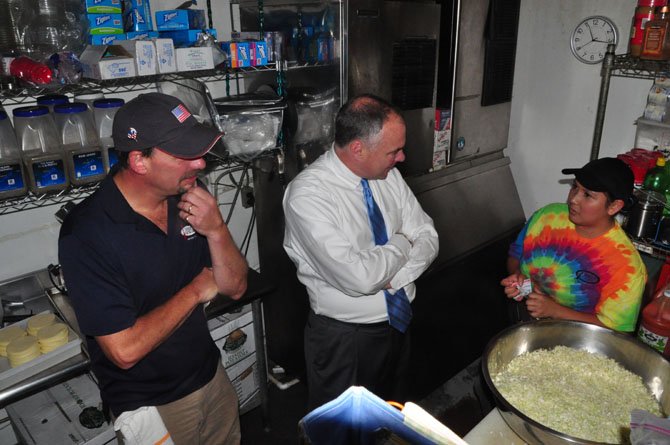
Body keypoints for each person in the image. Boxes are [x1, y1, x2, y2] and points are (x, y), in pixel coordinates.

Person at [58, 93, 248, 444]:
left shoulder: (190, 196)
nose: (201, 165)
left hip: (211, 376)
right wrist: (195, 291)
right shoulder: (87, 234)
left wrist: (217, 228)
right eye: (184, 155)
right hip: (152, 407)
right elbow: (124, 352)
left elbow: (235, 287)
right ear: (139, 161)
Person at [282, 94, 439, 409]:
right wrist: (400, 243)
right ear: (357, 149)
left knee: (391, 415)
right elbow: (360, 278)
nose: (401, 158)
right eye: (393, 151)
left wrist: (397, 277)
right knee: (340, 431)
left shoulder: (388, 176)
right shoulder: (308, 195)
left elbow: (429, 235)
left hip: (398, 326)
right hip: (345, 341)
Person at [501, 157, 646, 332]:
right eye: (575, 187)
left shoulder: (625, 265)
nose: (573, 199)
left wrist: (555, 311)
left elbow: (616, 329)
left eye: (587, 195)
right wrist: (518, 277)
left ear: (614, 206)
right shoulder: (547, 216)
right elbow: (515, 255)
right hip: (522, 321)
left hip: (574, 339)